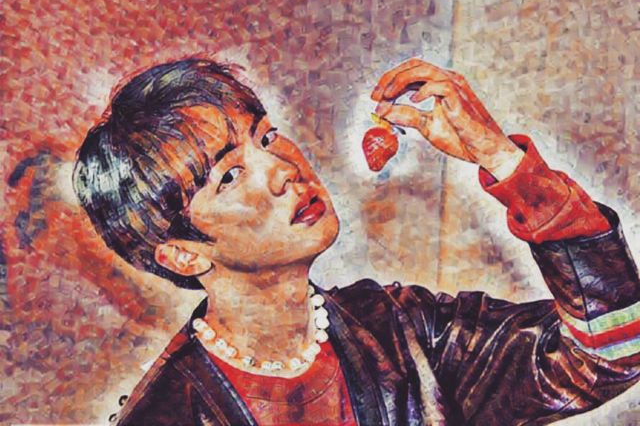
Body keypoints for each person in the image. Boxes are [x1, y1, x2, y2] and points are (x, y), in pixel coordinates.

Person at [73, 58, 640, 426]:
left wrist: (502, 159)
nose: (282, 169)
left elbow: (611, 352)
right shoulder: (168, 412)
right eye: (230, 175)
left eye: (266, 138)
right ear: (183, 253)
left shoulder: (401, 329)